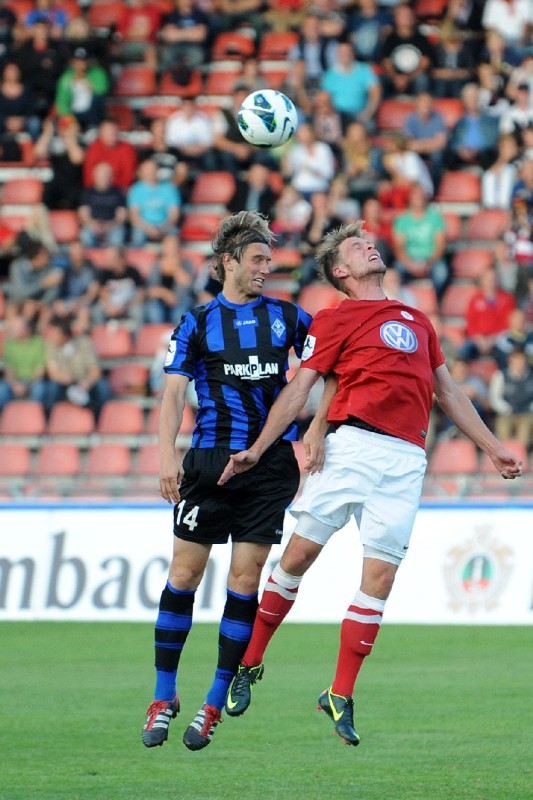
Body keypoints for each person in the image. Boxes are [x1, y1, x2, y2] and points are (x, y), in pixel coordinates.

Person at [217, 220, 523, 746]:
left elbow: (449, 393)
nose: (370, 246)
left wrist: (493, 447)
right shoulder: (335, 319)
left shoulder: (418, 320)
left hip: (407, 457)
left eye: (369, 242)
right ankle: (250, 661)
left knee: (379, 580)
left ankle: (339, 692)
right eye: (358, 246)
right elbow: (302, 389)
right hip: (352, 446)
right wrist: (261, 447)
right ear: (341, 270)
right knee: (297, 557)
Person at [141, 211, 314, 753]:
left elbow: (330, 366)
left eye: (270, 260)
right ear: (228, 262)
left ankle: (213, 701)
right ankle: (163, 696)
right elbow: (173, 394)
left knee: (244, 580)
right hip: (209, 462)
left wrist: (318, 429)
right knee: (184, 574)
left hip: (269, 465)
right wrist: (166, 457)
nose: (266, 268)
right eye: (257, 259)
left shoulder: (289, 317)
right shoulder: (196, 322)